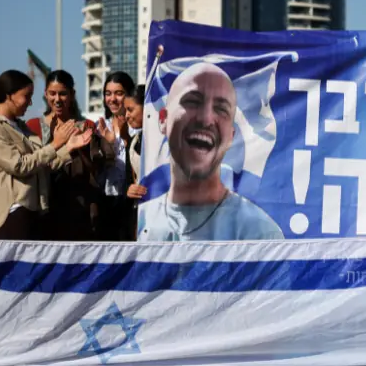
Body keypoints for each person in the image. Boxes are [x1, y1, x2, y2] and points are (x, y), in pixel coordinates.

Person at [138, 63, 284, 242]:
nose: (206, 119)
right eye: (192, 101)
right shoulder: (139, 226)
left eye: (221, 109)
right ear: (163, 119)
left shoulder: (259, 234)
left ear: (231, 136)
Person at [0, 70, 93, 240]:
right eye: (26, 96)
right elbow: (20, 165)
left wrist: (68, 148)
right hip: (8, 214)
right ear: (9, 96)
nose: (30, 103)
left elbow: (41, 164)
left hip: (31, 211)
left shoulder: (19, 126)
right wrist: (56, 143)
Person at [26, 70, 115, 240]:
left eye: (63, 94)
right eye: (52, 93)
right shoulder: (33, 126)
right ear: (45, 94)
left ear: (72, 94)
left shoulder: (86, 126)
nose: (57, 99)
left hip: (79, 209)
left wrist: (81, 146)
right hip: (43, 206)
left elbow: (96, 169)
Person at [95, 71, 136, 240]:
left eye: (119, 93)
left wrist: (125, 138)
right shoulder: (99, 128)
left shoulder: (138, 127)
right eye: (108, 93)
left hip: (132, 201)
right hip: (106, 200)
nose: (112, 99)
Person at [123, 85, 146, 239]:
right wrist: (129, 190)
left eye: (130, 110)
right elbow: (127, 181)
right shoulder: (132, 142)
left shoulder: (170, 142)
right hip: (139, 217)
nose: (126, 115)